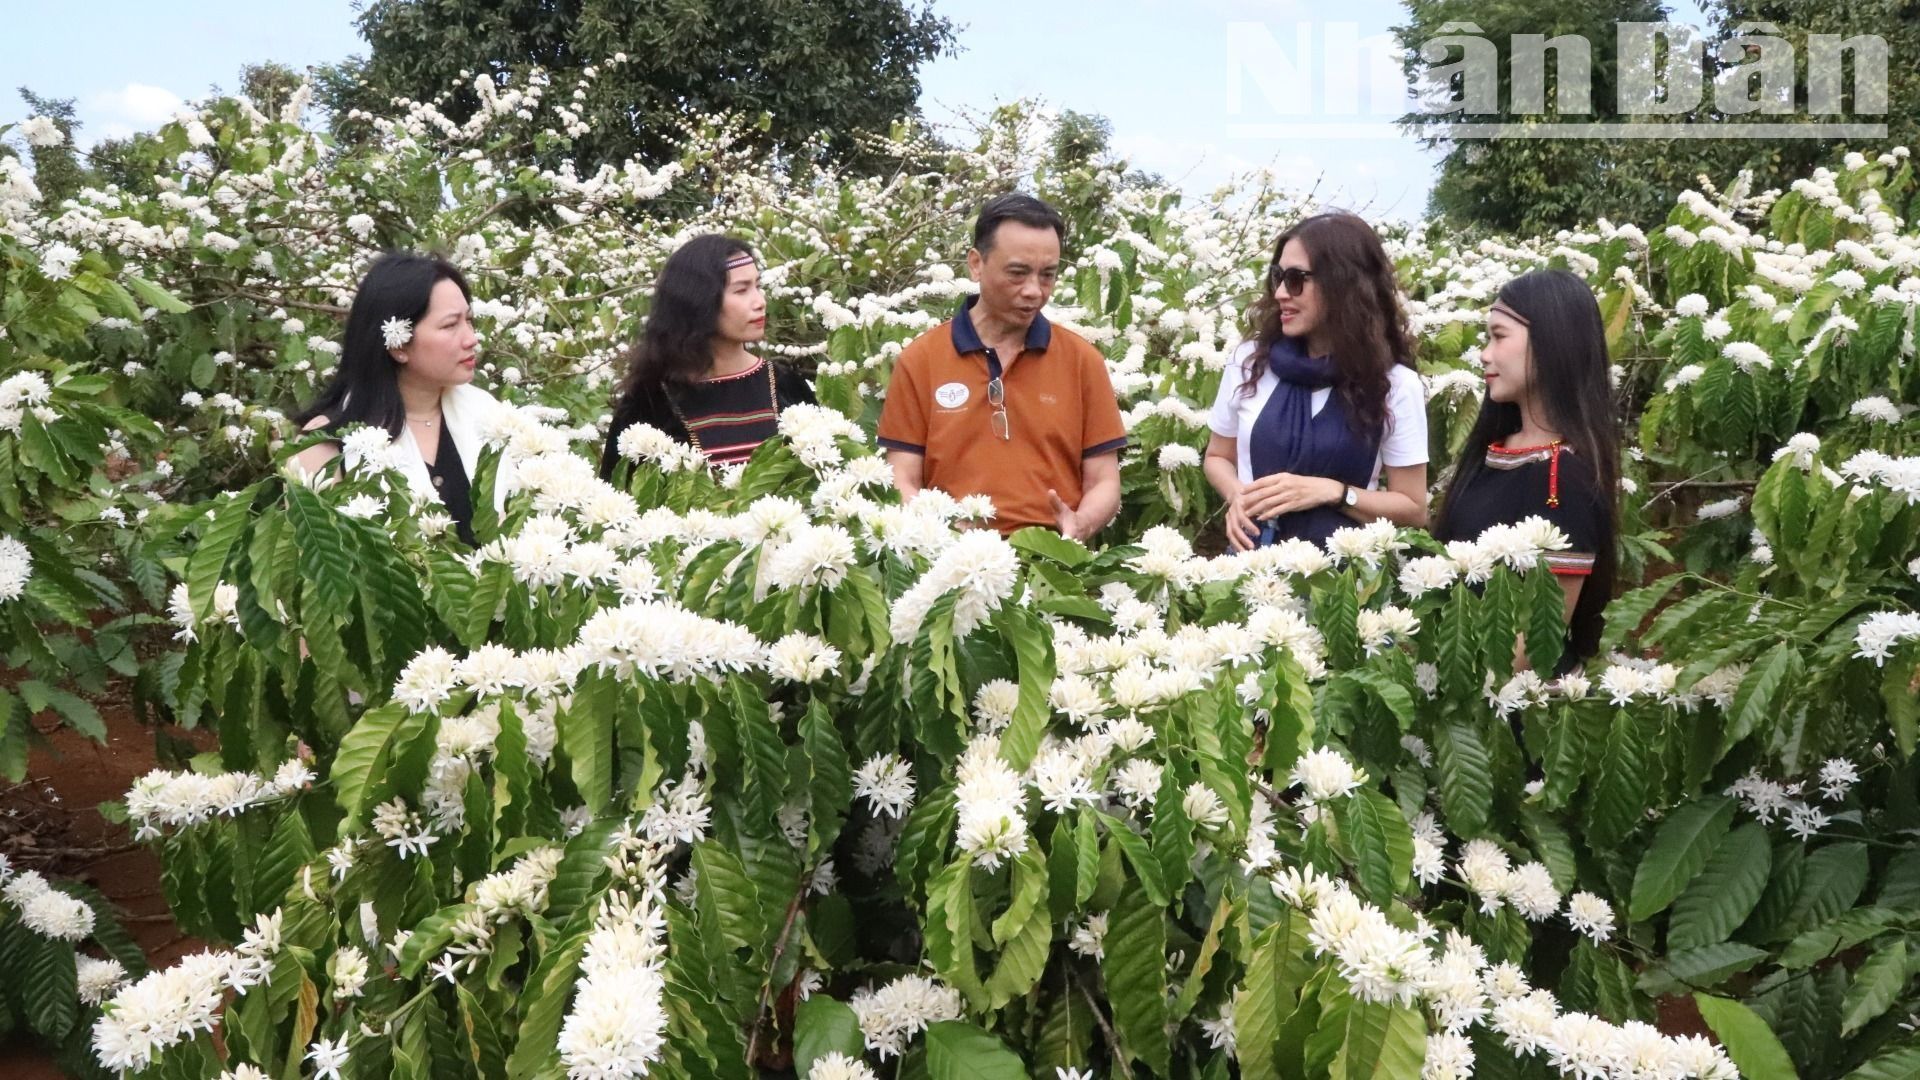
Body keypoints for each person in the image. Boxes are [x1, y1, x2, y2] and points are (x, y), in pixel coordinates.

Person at [877, 194, 1127, 539]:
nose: (1033, 291)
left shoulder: (1082, 361)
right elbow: (901, 476)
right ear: (977, 264)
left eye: (1047, 275)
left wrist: (1080, 524)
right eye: (1018, 273)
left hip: (1050, 557)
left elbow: (1104, 480)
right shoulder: (921, 360)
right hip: (948, 559)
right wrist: (935, 534)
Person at [1204, 212, 1429, 552]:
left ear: (1343, 284)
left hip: (1343, 581)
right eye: (1278, 276)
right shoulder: (1250, 362)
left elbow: (1413, 509)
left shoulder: (1395, 385)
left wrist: (1334, 492)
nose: (1281, 292)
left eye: (1296, 279)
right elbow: (1217, 456)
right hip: (1249, 566)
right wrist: (1238, 495)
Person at [1434, 269, 1619, 673]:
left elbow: (1536, 640)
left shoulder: (1564, 476)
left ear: (1552, 343)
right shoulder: (1491, 451)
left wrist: (1453, 685)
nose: (1484, 353)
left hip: (1512, 708)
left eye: (1499, 336)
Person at [291, 251, 497, 545]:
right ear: (398, 345)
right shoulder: (324, 444)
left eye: (469, 321)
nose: (471, 338)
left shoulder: (488, 415)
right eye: (450, 325)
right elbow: (318, 563)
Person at [599, 235, 815, 477]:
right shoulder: (651, 399)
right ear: (700, 301)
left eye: (758, 286)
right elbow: (617, 493)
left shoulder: (785, 385)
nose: (760, 302)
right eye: (741, 290)